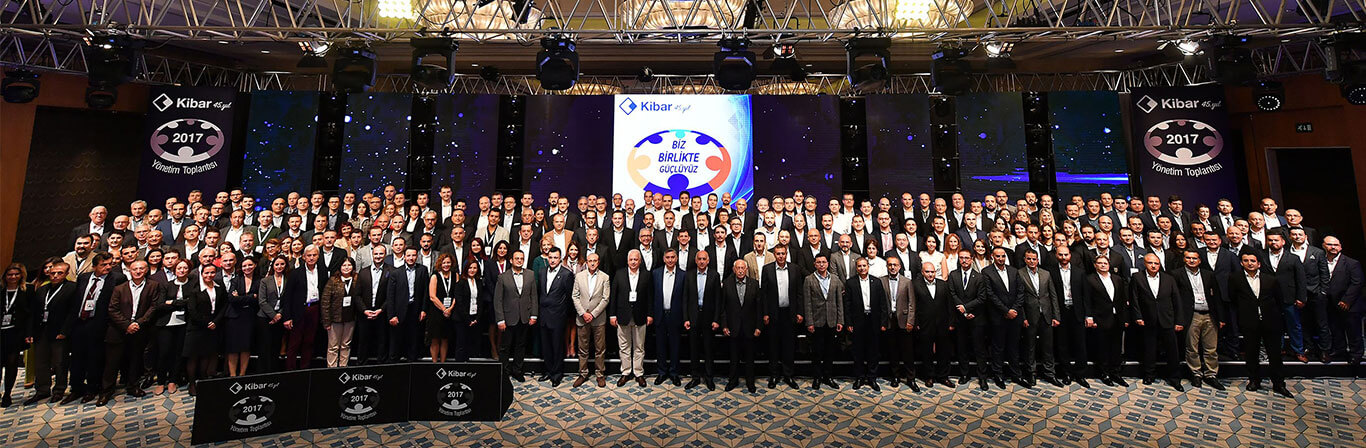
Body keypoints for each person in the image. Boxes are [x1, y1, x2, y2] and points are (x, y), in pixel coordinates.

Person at [1229, 251, 1293, 398]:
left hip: (1271, 321)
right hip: (1249, 321)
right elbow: (1233, 299)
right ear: (1241, 263)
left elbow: (1279, 300)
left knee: (1275, 354)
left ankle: (1279, 383)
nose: (1249, 263)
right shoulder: (1235, 279)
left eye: (1252, 261)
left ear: (1258, 264)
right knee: (1251, 352)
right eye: (1246, 260)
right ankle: (1254, 380)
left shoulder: (1271, 279)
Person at [99, 260, 161, 405]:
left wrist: (138, 323)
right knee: (112, 363)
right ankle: (106, 391)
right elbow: (112, 309)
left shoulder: (153, 286)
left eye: (141, 268)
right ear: (129, 271)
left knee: (135, 360)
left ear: (146, 270)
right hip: (118, 330)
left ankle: (133, 386)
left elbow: (154, 307)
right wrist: (127, 325)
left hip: (140, 329)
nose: (138, 271)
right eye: (135, 269)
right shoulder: (119, 288)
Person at [63, 252, 119, 405]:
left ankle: (92, 389)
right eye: (103, 265)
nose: (108, 267)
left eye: (110, 264)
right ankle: (76, 388)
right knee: (77, 358)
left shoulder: (116, 279)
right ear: (94, 266)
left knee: (95, 359)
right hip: (79, 323)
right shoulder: (84, 277)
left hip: (99, 324)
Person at [1129, 253, 1183, 391]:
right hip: (1147, 319)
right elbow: (1134, 298)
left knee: (1172, 350)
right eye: (1150, 263)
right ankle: (1149, 375)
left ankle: (1175, 378)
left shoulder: (1169, 278)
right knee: (1149, 349)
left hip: (1167, 319)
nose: (1153, 266)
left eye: (1156, 263)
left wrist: (1179, 320)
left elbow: (1176, 300)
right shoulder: (1137, 277)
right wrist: (1138, 317)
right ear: (1145, 264)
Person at [25, 262, 75, 404]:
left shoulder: (72, 288)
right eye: (53, 273)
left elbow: (72, 312)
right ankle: (42, 390)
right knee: (41, 362)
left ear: (66, 274)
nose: (55, 276)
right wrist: (30, 332)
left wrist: (65, 331)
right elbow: (33, 312)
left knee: (60, 362)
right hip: (41, 331)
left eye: (59, 273)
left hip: (59, 332)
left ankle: (59, 390)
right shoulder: (42, 289)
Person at [1175, 248, 1225, 390]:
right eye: (1188, 258)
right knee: (1192, 348)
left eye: (1194, 258)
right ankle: (1196, 374)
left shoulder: (1208, 274)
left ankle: (1211, 375)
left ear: (1199, 260)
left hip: (1209, 315)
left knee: (1211, 348)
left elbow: (1217, 297)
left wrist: (1221, 317)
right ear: (1184, 259)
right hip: (1191, 315)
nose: (1191, 260)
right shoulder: (1177, 274)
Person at [1017, 249, 1060, 388]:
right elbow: (1019, 298)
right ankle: (1031, 373)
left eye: (1034, 259)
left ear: (1038, 260)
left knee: (1048, 347)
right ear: (1025, 259)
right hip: (1030, 316)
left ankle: (1050, 373)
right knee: (1030, 347)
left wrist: (1056, 316)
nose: (1031, 261)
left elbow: (1053, 296)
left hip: (1046, 315)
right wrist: (1023, 317)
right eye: (1029, 259)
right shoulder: (1019, 273)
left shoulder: (1046, 274)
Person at [762, 245, 803, 389]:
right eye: (778, 253)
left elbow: (799, 293)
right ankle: (774, 375)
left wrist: (799, 312)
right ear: (774, 254)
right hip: (773, 313)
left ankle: (788, 375)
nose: (780, 256)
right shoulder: (767, 269)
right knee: (773, 345)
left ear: (786, 254)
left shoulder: (795, 269)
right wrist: (765, 313)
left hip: (789, 313)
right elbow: (764, 294)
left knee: (789, 345)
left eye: (783, 253)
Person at [1048, 246, 1090, 388]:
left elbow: (1086, 295)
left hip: (1077, 311)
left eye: (1066, 254)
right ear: (1056, 256)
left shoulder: (1080, 272)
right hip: (1060, 312)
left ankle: (1081, 375)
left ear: (1070, 255)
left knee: (1080, 344)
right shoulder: (1051, 272)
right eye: (1060, 255)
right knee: (1062, 344)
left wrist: (1088, 315)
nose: (1063, 257)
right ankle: (1066, 373)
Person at [1084, 256, 1129, 387]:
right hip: (1100, 318)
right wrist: (1089, 317)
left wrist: (1125, 318)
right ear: (1095, 265)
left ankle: (1116, 373)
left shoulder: (1117, 279)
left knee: (1116, 347)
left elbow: (1122, 299)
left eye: (1105, 263)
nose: (1103, 265)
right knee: (1102, 347)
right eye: (1100, 263)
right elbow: (1087, 300)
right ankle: (1104, 373)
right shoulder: (1090, 279)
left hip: (1117, 318)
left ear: (1109, 265)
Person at [949, 251, 992, 390]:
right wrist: (963, 311)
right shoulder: (953, 275)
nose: (964, 260)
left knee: (979, 349)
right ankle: (964, 374)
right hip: (960, 318)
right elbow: (952, 294)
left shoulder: (979, 277)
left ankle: (982, 377)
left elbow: (982, 298)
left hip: (976, 317)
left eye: (967, 258)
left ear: (971, 259)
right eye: (961, 258)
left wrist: (967, 308)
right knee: (962, 348)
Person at [183, 264, 227, 396]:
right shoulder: (195, 289)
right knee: (193, 357)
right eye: (206, 273)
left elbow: (224, 305)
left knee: (206, 355)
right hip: (197, 327)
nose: (209, 275)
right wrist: (206, 323)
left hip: (213, 325)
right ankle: (192, 384)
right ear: (201, 274)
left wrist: (215, 321)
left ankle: (202, 381)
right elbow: (192, 310)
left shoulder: (219, 286)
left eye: (212, 272)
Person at [845, 257, 888, 391]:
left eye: (864, 265)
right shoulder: (850, 282)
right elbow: (847, 305)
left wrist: (883, 322)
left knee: (873, 351)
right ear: (856, 268)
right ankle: (859, 377)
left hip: (873, 320)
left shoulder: (877, 282)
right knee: (858, 351)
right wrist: (849, 323)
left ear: (868, 266)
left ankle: (872, 378)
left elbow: (883, 303)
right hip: (858, 320)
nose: (862, 268)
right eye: (859, 266)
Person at [494, 250, 537, 382]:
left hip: (524, 317)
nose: (519, 260)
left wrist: (534, 315)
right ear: (511, 260)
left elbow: (534, 296)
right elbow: (498, 300)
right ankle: (504, 372)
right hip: (508, 318)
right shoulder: (502, 277)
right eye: (517, 258)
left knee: (521, 346)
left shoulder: (530, 274)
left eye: (521, 258)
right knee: (505, 347)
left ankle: (517, 371)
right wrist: (500, 319)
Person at [982, 247, 1023, 387]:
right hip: (998, 316)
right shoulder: (987, 272)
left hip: (1015, 315)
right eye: (998, 256)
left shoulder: (1014, 271)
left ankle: (1016, 374)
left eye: (1003, 256)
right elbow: (990, 294)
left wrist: (1014, 309)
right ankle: (998, 375)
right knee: (998, 347)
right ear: (992, 257)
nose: (1001, 259)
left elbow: (1020, 292)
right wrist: (1006, 311)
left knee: (1014, 347)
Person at [283, 245, 329, 369]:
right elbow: (287, 296)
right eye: (309, 255)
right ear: (304, 257)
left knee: (309, 341)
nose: (311, 258)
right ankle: (290, 371)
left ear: (318, 256)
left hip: (315, 309)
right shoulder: (295, 273)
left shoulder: (323, 271)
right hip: (299, 310)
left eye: (314, 255)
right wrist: (287, 317)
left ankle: (305, 369)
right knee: (294, 343)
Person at [611, 250, 651, 387]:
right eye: (631, 259)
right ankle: (626, 372)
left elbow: (650, 296)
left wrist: (650, 314)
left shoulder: (646, 275)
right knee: (624, 346)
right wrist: (612, 315)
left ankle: (639, 373)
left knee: (639, 346)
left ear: (640, 261)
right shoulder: (619, 274)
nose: (633, 262)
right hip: (623, 315)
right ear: (627, 261)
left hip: (641, 315)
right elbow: (613, 296)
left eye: (636, 259)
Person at [721, 259, 761, 393]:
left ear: (746, 270)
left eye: (742, 268)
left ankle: (750, 382)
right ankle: (733, 381)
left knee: (750, 357)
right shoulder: (727, 284)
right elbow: (723, 307)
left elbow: (759, 308)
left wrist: (758, 327)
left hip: (750, 327)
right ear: (734, 270)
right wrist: (724, 326)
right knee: (734, 357)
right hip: (733, 327)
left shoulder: (754, 284)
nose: (740, 270)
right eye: (737, 268)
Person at [684, 250, 721, 390]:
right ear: (695, 260)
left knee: (708, 349)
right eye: (699, 259)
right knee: (693, 348)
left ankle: (709, 377)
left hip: (708, 317)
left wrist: (716, 319)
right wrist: (686, 318)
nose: (701, 261)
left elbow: (718, 300)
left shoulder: (714, 275)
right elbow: (685, 298)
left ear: (708, 261)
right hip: (693, 316)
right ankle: (695, 377)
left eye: (704, 259)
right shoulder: (689, 275)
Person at [536, 247, 574, 386]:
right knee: (546, 346)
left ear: (560, 258)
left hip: (558, 316)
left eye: (555, 258)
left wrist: (564, 314)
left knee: (557, 347)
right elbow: (540, 292)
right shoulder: (541, 272)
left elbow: (569, 297)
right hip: (543, 315)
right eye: (550, 257)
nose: (552, 260)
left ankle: (557, 374)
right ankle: (548, 371)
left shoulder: (566, 274)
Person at [384, 247, 428, 363]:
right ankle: (394, 366)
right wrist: (391, 315)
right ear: (404, 257)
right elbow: (390, 296)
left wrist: (424, 310)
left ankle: (411, 365)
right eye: (408, 255)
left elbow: (425, 292)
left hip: (415, 310)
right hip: (399, 311)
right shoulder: (396, 273)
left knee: (413, 340)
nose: (411, 258)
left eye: (413, 255)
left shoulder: (423, 270)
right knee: (396, 342)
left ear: (417, 256)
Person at [881, 255, 917, 390]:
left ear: (900, 267)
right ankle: (895, 377)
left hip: (904, 320)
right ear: (887, 266)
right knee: (893, 351)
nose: (892, 267)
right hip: (889, 320)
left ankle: (911, 378)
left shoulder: (907, 282)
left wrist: (910, 321)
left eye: (895, 265)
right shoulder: (881, 281)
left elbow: (912, 303)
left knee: (908, 352)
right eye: (890, 265)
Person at [651, 249, 685, 386]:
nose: (670, 260)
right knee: (660, 345)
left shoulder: (683, 275)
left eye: (672, 257)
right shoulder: (656, 273)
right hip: (660, 314)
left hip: (675, 315)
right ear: (664, 259)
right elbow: (652, 295)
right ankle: (661, 372)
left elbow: (685, 298)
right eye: (668, 257)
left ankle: (674, 373)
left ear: (676, 259)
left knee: (675, 345)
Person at [321, 257, 361, 367]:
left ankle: (343, 367)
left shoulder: (357, 279)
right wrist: (326, 321)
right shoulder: (333, 280)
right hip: (335, 318)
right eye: (344, 265)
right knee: (333, 346)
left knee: (346, 345)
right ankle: (332, 368)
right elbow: (325, 301)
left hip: (350, 317)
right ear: (340, 267)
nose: (346, 267)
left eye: (349, 265)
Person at [2, 264, 32, 407]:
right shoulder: (1, 290)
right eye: (10, 274)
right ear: (5, 276)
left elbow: (30, 314)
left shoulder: (27, 290)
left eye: (16, 274)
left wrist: (29, 333)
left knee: (11, 364)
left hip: (15, 333)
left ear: (21, 275)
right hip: (1, 332)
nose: (13, 277)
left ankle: (7, 393)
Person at [224, 257, 259, 375]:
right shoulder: (235, 280)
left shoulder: (260, 280)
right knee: (233, 347)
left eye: (250, 265)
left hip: (250, 317)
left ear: (255, 265)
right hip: (234, 317)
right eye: (244, 266)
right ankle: (232, 375)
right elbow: (232, 299)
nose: (247, 268)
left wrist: (240, 297)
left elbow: (258, 299)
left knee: (246, 347)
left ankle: (242, 374)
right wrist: (251, 297)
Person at [355, 247, 389, 365]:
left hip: (382, 313)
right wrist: (364, 310)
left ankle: (381, 368)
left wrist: (381, 309)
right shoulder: (363, 272)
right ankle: (360, 366)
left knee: (382, 342)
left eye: (381, 254)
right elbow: (357, 295)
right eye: (376, 254)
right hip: (365, 313)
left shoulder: (391, 271)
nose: (378, 256)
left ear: (385, 254)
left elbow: (391, 295)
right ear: (372, 255)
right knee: (363, 342)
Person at [255, 256, 288, 373]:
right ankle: (262, 372)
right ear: (273, 266)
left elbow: (288, 300)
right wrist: (273, 315)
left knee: (276, 345)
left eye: (282, 264)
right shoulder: (265, 280)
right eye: (277, 264)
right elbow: (262, 301)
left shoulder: (288, 280)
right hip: (265, 317)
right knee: (265, 346)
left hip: (280, 317)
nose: (279, 266)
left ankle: (274, 371)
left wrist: (279, 314)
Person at [451, 260, 485, 362]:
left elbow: (480, 301)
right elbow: (459, 303)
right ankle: (459, 367)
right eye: (470, 268)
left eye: (474, 268)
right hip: (462, 318)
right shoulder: (461, 282)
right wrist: (468, 320)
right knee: (461, 344)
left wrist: (477, 318)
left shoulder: (479, 282)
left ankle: (468, 366)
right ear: (466, 269)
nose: (472, 270)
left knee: (470, 344)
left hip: (474, 316)